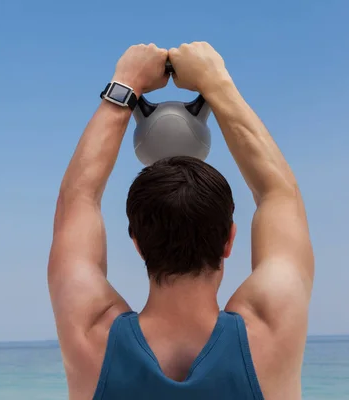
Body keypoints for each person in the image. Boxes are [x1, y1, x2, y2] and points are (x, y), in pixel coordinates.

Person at [47, 42, 314, 400]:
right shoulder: (270, 330)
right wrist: (215, 83)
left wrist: (126, 84)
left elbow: (77, 199)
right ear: (229, 239)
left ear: (138, 243)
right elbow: (280, 194)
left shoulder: (91, 336)